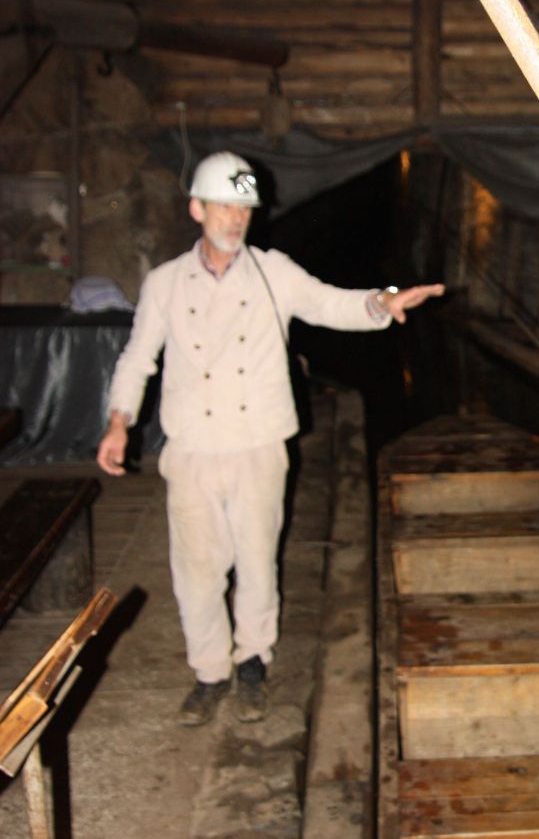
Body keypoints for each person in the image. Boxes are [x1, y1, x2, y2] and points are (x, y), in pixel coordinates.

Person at [96, 150, 444, 726]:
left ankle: (253, 660)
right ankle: (210, 673)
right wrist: (119, 420)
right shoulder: (163, 284)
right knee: (198, 570)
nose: (236, 219)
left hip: (259, 443)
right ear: (197, 209)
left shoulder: (274, 272)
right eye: (225, 207)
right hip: (192, 449)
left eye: (245, 209)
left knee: (258, 562)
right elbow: (138, 358)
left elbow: (332, 303)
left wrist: (383, 300)